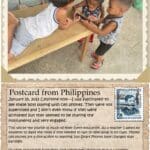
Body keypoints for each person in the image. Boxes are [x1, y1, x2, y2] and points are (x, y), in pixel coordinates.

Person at [8, 0, 79, 60]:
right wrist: (73, 22)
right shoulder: (62, 12)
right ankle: (12, 25)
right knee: (10, 54)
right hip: (28, 34)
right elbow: (63, 27)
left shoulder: (52, 4)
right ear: (68, 3)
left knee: (15, 29)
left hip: (25, 22)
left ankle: (13, 23)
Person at [81, 0, 133, 69]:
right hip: (105, 38)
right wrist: (96, 19)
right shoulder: (113, 13)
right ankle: (97, 54)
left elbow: (101, 32)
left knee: (100, 52)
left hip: (108, 42)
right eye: (109, 5)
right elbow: (104, 19)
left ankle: (99, 61)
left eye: (110, 7)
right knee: (100, 48)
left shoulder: (113, 23)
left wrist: (88, 26)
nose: (107, 8)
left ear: (121, 10)